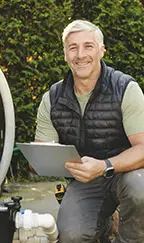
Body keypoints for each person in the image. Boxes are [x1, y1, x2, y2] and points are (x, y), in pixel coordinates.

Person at [35, 19, 144, 243]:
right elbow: (42, 153)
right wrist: (42, 157)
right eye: (72, 47)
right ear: (65, 54)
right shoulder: (52, 98)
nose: (80, 54)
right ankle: (104, 225)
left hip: (126, 172)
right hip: (85, 180)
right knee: (71, 237)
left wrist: (104, 166)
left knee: (140, 189)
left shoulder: (126, 89)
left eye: (88, 46)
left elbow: (143, 148)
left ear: (101, 51)